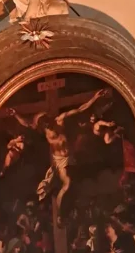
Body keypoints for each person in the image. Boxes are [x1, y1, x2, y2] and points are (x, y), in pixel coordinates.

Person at [8, 87, 110, 216]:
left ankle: (76, 208)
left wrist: (95, 98)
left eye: (46, 121)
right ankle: (60, 214)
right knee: (67, 184)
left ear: (48, 118)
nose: (46, 125)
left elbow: (79, 109)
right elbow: (27, 123)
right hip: (59, 160)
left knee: (78, 183)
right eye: (43, 124)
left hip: (70, 156)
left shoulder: (59, 120)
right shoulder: (44, 131)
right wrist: (16, 114)